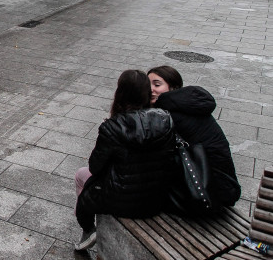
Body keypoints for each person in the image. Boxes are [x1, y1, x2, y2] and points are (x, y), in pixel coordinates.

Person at [73, 70, 175, 252]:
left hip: (121, 200)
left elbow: (95, 167)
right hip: (157, 198)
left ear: (119, 93)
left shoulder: (112, 127)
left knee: (82, 177)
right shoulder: (165, 119)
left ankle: (88, 230)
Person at [148, 66, 241, 210]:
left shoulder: (170, 115)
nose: (150, 89)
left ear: (173, 88)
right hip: (225, 186)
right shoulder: (187, 104)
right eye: (147, 84)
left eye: (157, 84)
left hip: (209, 192)